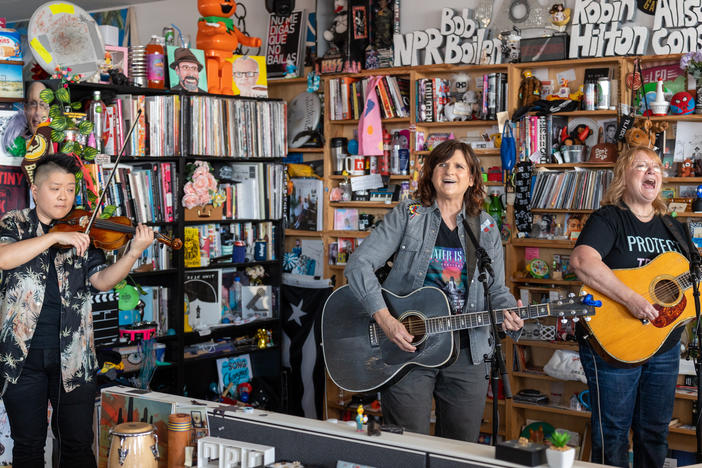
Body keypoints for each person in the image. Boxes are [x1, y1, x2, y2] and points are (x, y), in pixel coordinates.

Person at [344, 139, 523, 441]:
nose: (449, 171)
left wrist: (511, 313)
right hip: (409, 350)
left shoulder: (488, 228)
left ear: (471, 178)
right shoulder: (409, 214)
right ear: (430, 173)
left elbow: (495, 289)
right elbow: (358, 265)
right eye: (442, 164)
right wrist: (385, 320)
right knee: (407, 447)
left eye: (458, 166)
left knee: (459, 451)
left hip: (468, 353)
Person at [0, 154, 155, 467]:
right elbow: (3, 257)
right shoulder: (13, 223)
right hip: (20, 358)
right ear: (35, 189)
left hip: (74, 356)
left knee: (78, 445)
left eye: (70, 189)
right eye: (56, 188)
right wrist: (54, 236)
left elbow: (101, 281)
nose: (63, 196)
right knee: (27, 447)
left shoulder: (85, 230)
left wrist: (132, 253)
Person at [570, 146, 689, 468]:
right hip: (613, 343)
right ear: (624, 175)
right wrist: (632, 299)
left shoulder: (674, 227)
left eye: (656, 166)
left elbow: (694, 281)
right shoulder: (609, 218)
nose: (651, 171)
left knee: (654, 432)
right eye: (640, 166)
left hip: (663, 346)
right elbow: (583, 261)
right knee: (613, 433)